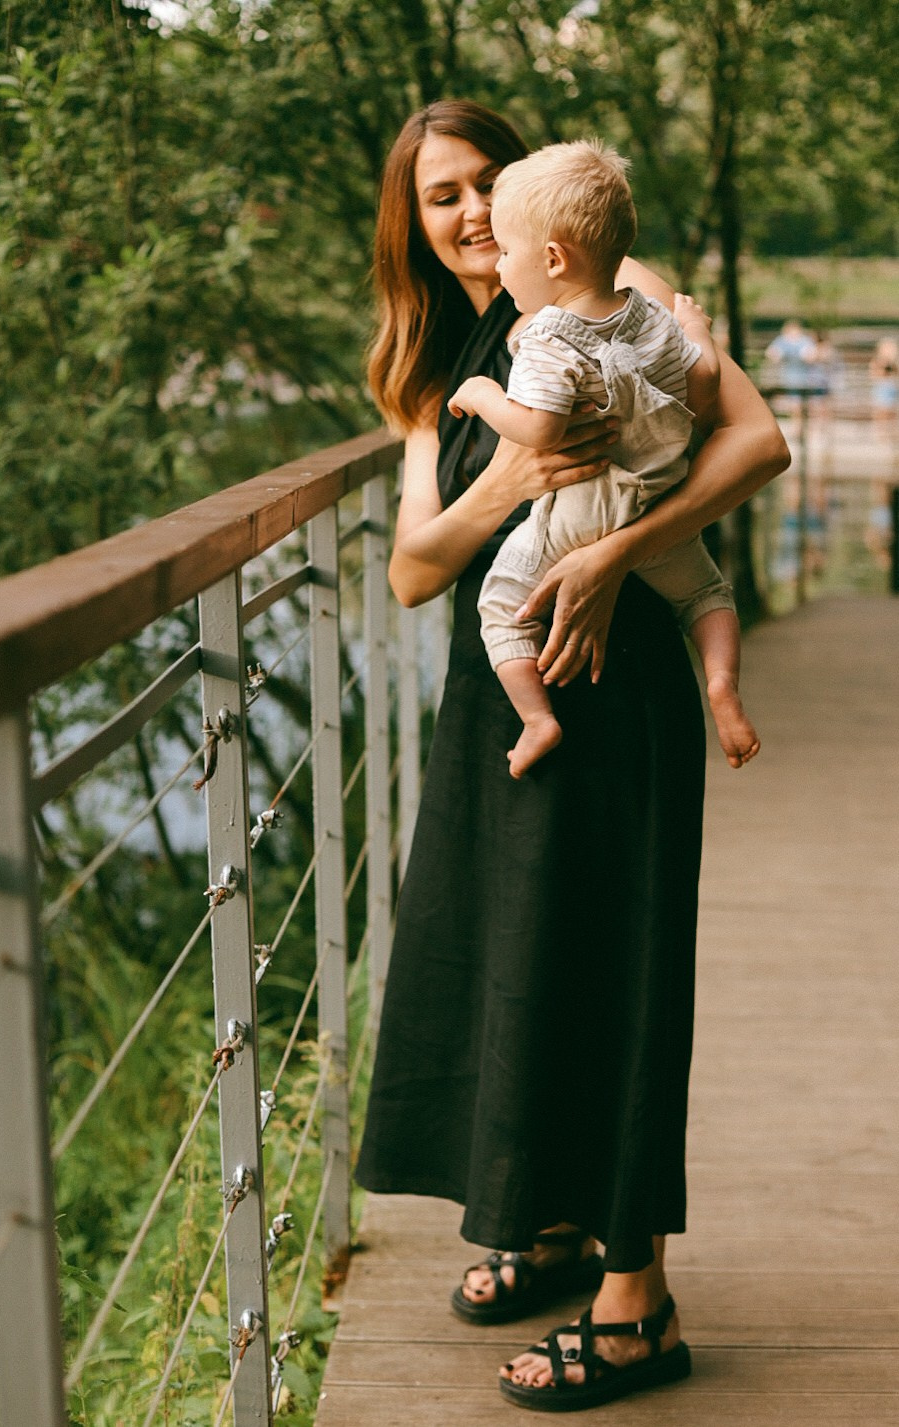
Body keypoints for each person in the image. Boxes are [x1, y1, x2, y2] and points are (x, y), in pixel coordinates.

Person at [355, 100, 788, 1413]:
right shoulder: (429, 370)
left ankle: (633, 1300)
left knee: (617, 964)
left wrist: (606, 552)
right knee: (512, 960)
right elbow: (414, 571)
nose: (472, 210)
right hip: (500, 696)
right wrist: (508, 490)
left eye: (489, 182)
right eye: (442, 196)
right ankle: (539, 1217)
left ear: (538, 200)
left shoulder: (616, 290)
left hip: (624, 678)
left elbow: (755, 439)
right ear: (412, 226)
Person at [446, 138, 759, 778]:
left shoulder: (546, 337)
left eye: (507, 252)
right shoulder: (646, 316)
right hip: (662, 497)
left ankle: (537, 719)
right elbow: (699, 391)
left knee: (499, 604)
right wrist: (697, 332)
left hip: (582, 514)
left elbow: (538, 429)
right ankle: (722, 684)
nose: (499, 267)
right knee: (704, 593)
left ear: (553, 259)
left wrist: (482, 394)